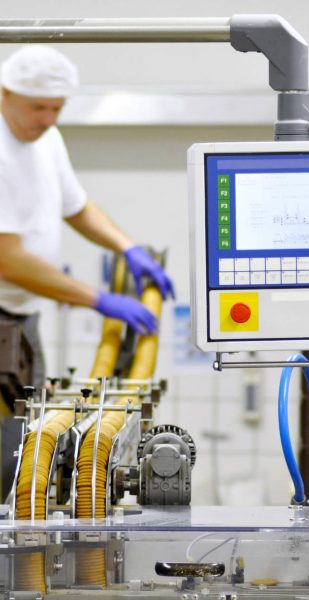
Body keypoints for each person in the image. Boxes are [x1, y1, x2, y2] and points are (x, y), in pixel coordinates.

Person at [0, 45, 174, 387]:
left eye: (57, 109)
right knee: (13, 437)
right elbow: (8, 260)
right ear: (5, 93)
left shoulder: (47, 139)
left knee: (26, 434)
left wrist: (128, 248)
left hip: (21, 319)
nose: (48, 119)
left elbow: (76, 207)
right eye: (37, 107)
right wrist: (99, 300)